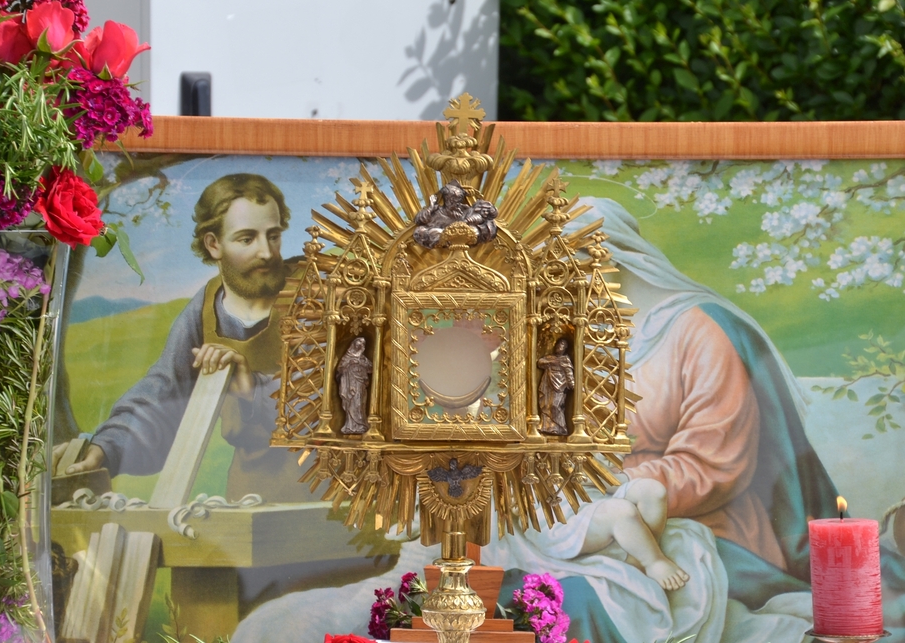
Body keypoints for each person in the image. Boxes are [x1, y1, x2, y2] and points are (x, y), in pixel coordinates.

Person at [229, 195, 847, 643]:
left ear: (609, 258)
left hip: (689, 518)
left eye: (569, 266)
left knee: (553, 579)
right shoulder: (572, 333)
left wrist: (604, 485)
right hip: (575, 504)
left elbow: (715, 465)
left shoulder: (697, 329)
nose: (557, 283)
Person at [53, 173, 308, 503]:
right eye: (247, 239)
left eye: (273, 236)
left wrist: (252, 388)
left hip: (328, 490)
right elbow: (164, 391)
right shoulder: (206, 307)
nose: (267, 252)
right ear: (213, 244)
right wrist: (107, 448)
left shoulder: (314, 291)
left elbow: (333, 388)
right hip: (251, 497)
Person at [537, 338, 574, 435]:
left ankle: (560, 427)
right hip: (547, 385)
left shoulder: (565, 359)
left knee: (555, 405)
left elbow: (569, 372)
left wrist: (572, 383)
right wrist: (551, 362)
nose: (558, 346)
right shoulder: (550, 357)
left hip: (560, 386)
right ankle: (545, 427)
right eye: (558, 344)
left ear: (565, 347)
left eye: (561, 344)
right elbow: (540, 362)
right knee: (546, 405)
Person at [337, 336, 372, 434]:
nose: (361, 345)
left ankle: (361, 425)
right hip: (349, 384)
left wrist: (361, 362)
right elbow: (340, 370)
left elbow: (371, 368)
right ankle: (350, 426)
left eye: (362, 344)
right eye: (359, 342)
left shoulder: (363, 358)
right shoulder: (347, 357)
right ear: (354, 344)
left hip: (360, 384)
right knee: (350, 404)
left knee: (359, 404)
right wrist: (349, 363)